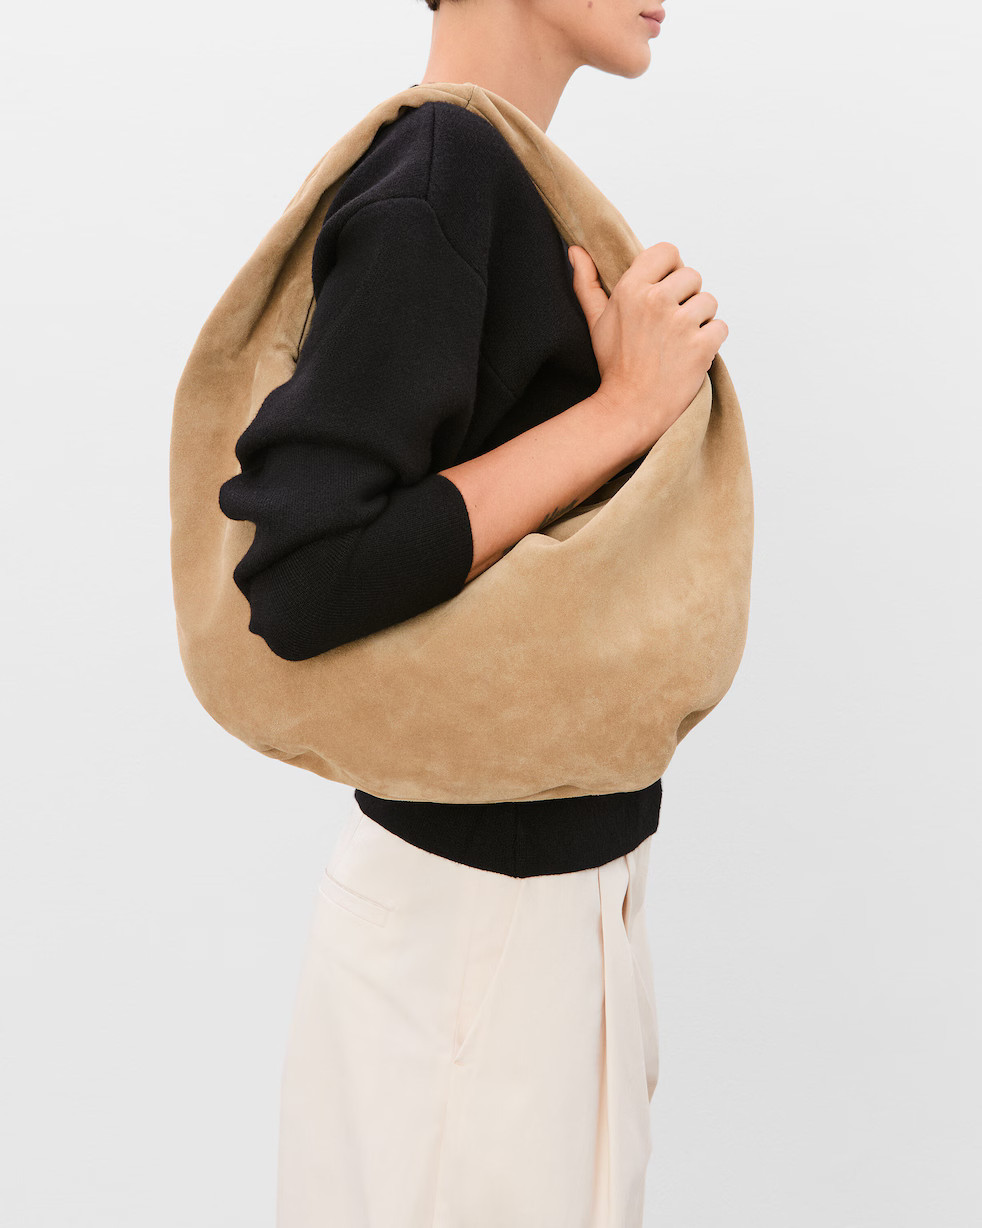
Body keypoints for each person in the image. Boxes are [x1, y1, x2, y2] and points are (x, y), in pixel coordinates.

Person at [219, 1, 727, 1224]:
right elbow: (304, 572)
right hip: (475, 946)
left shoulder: (502, 181)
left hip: (534, 920)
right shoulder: (441, 176)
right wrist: (617, 411)